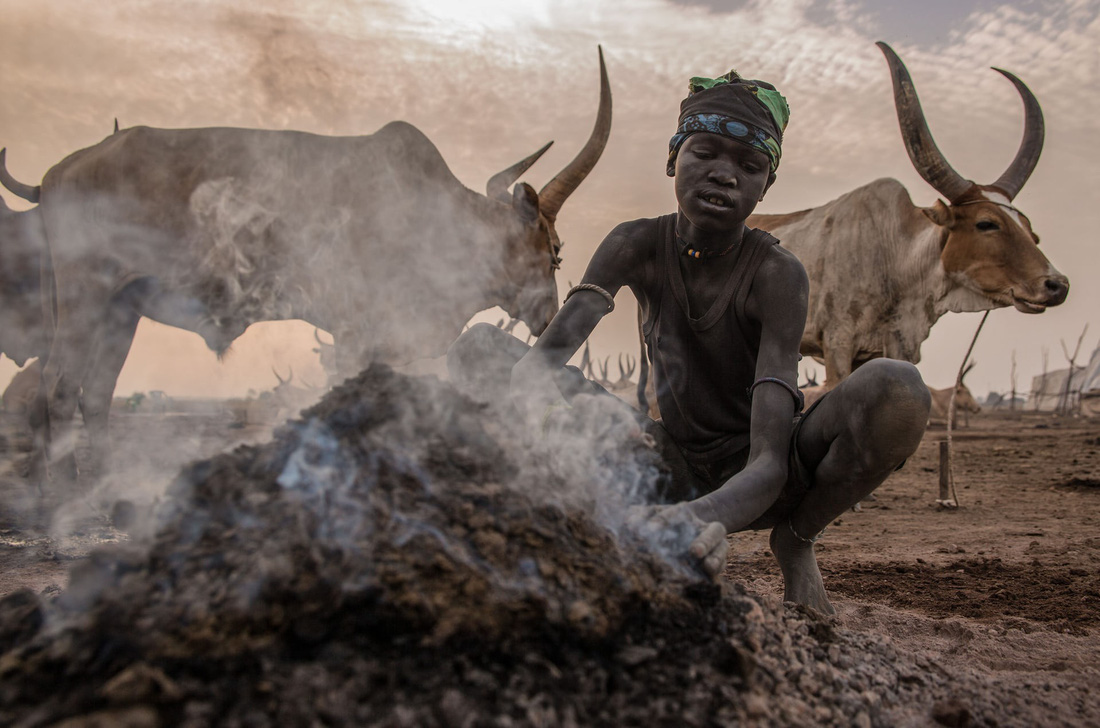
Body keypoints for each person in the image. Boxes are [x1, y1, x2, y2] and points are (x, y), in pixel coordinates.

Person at [451, 69, 930, 615]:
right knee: (481, 349)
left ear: (765, 186)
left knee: (898, 388)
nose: (724, 175)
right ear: (673, 159)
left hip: (766, 476)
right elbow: (540, 365)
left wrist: (692, 521)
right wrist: (553, 421)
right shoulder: (634, 243)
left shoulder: (778, 274)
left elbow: (769, 461)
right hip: (662, 464)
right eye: (705, 152)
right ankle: (585, 518)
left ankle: (796, 542)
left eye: (749, 166)